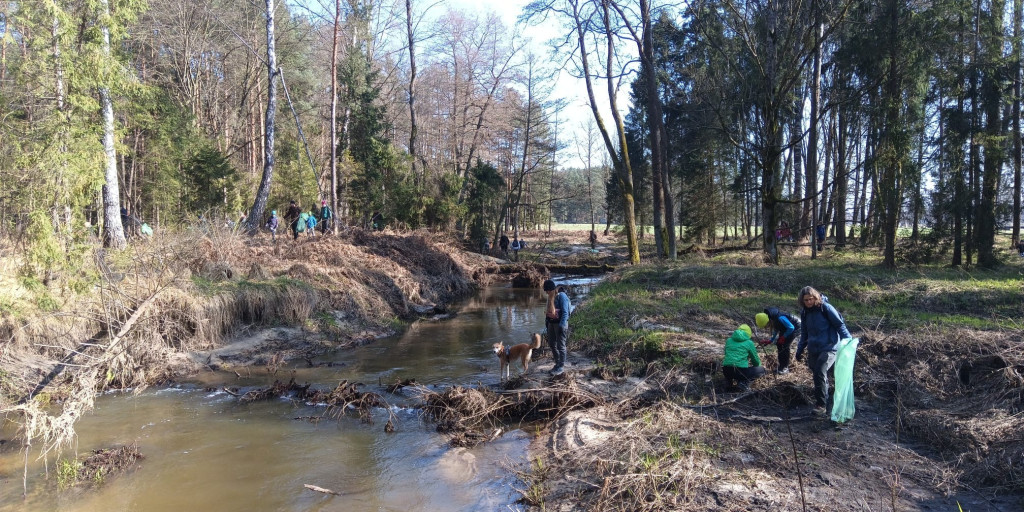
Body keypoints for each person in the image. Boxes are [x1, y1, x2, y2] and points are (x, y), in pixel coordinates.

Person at [795, 286, 852, 415]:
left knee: (820, 371)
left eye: (811, 299)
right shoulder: (804, 313)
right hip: (814, 348)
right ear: (802, 301)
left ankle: (821, 405)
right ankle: (828, 398)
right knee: (817, 373)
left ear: (816, 297)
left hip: (829, 346)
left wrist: (848, 340)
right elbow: (804, 332)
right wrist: (800, 349)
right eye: (806, 300)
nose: (809, 302)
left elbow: (839, 324)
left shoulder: (825, 308)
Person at [755, 308, 800, 374]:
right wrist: (770, 340)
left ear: (768, 321)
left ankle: (785, 368)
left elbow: (791, 328)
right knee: (779, 344)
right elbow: (776, 329)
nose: (766, 327)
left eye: (766, 326)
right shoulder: (773, 319)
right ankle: (781, 366)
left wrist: (783, 337)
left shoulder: (780, 318)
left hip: (796, 327)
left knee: (785, 346)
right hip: (786, 328)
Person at [722, 324, 765, 391]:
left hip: (726, 370)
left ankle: (728, 382)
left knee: (732, 371)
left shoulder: (729, 340)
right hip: (740, 371)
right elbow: (755, 361)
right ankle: (743, 383)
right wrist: (757, 366)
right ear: (749, 334)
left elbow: (727, 354)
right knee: (762, 370)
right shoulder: (749, 343)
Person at [543, 279, 571, 376]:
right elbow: (549, 312)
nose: (547, 293)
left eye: (547, 291)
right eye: (546, 291)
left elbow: (565, 313)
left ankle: (561, 366)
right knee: (552, 344)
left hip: (560, 324)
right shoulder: (551, 297)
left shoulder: (562, 296)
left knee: (561, 346)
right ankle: (557, 362)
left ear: (552, 289)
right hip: (551, 324)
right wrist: (547, 323)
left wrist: (562, 325)